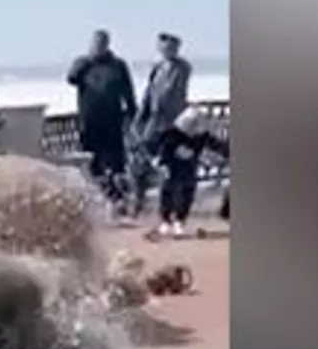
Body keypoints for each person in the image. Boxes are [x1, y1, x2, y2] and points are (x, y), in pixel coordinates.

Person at [66, 29, 138, 212]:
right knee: (92, 161)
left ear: (107, 45)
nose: (99, 46)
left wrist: (133, 114)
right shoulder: (83, 63)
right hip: (90, 121)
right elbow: (71, 79)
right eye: (96, 43)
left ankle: (119, 200)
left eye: (102, 43)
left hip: (112, 120)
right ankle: (97, 198)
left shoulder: (118, 65)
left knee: (115, 161)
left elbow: (128, 91)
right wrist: (86, 62)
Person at [133, 31, 193, 202]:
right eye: (163, 46)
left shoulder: (182, 68)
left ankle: (171, 199)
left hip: (172, 122)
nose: (167, 50)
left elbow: (169, 93)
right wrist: (140, 115)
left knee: (172, 161)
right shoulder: (157, 67)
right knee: (142, 155)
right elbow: (149, 91)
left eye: (171, 47)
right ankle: (140, 196)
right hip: (153, 121)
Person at [152, 102, 228, 236]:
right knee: (168, 189)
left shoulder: (202, 135)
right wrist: (163, 164)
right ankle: (165, 220)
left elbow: (215, 145)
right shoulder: (173, 133)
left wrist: (227, 151)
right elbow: (163, 149)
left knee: (187, 191)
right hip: (172, 164)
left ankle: (180, 220)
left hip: (189, 166)